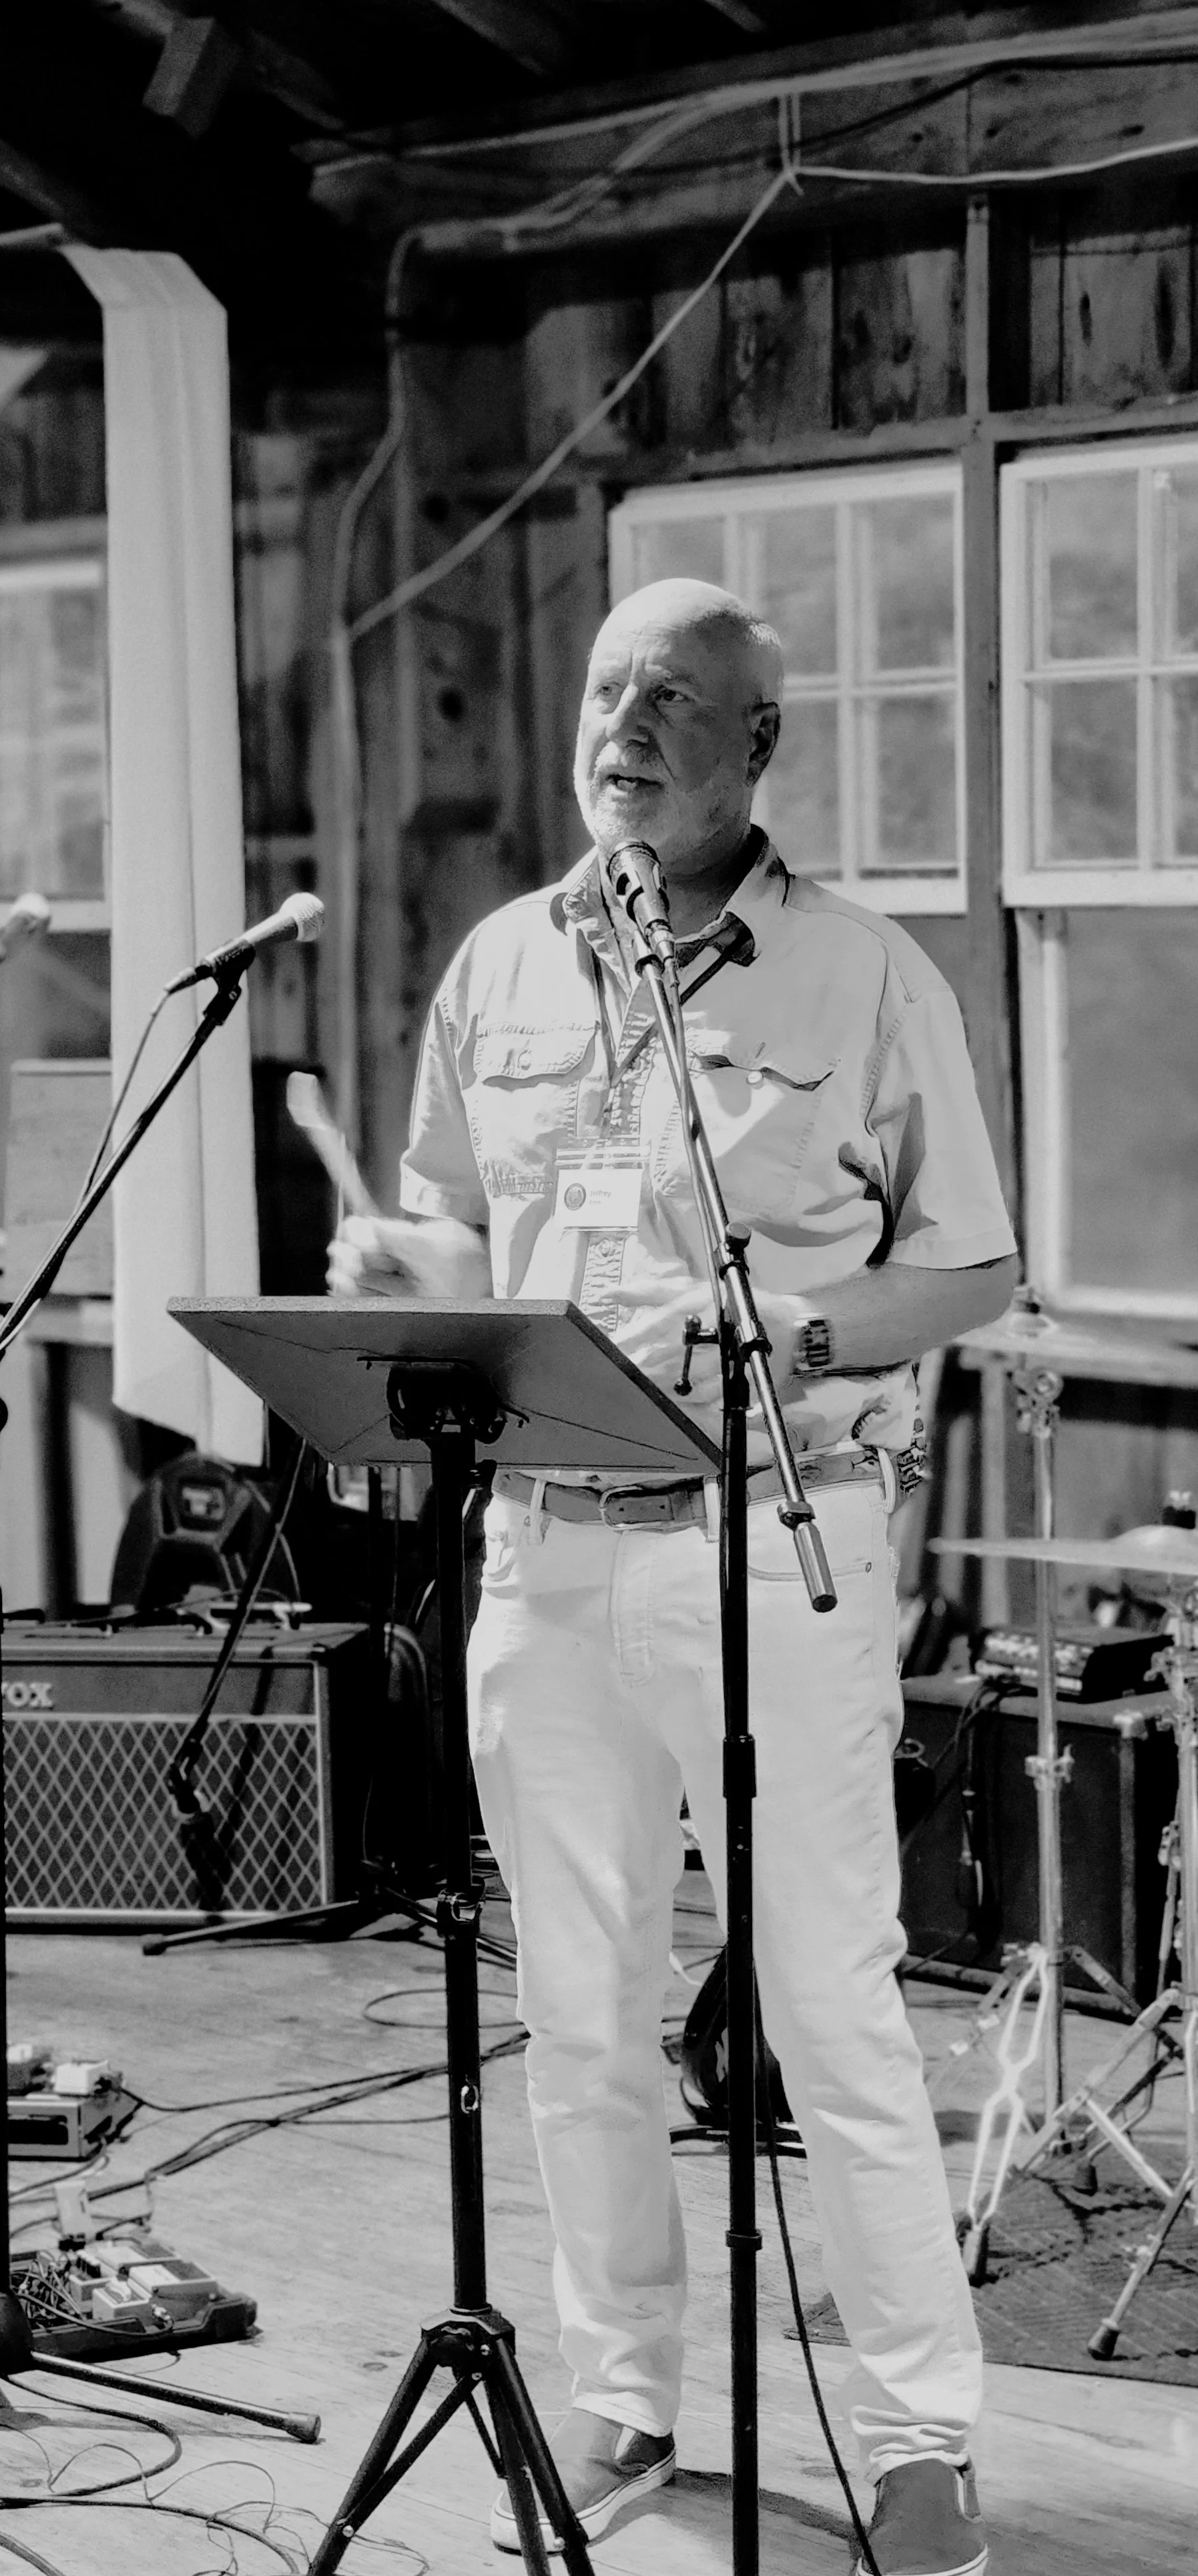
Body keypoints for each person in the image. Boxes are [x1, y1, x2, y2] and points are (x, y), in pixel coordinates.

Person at [330, 577, 1016, 2576]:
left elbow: (969, 1266)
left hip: (772, 1550)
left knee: (830, 2002)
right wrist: (407, 1280)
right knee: (579, 2006)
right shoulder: (498, 968)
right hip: (546, 1550)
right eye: (607, 690)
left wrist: (805, 1329)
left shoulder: (865, 977)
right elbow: (471, 1247)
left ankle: (914, 2435)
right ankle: (619, 2383)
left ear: (756, 749)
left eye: (676, 701)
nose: (624, 726)